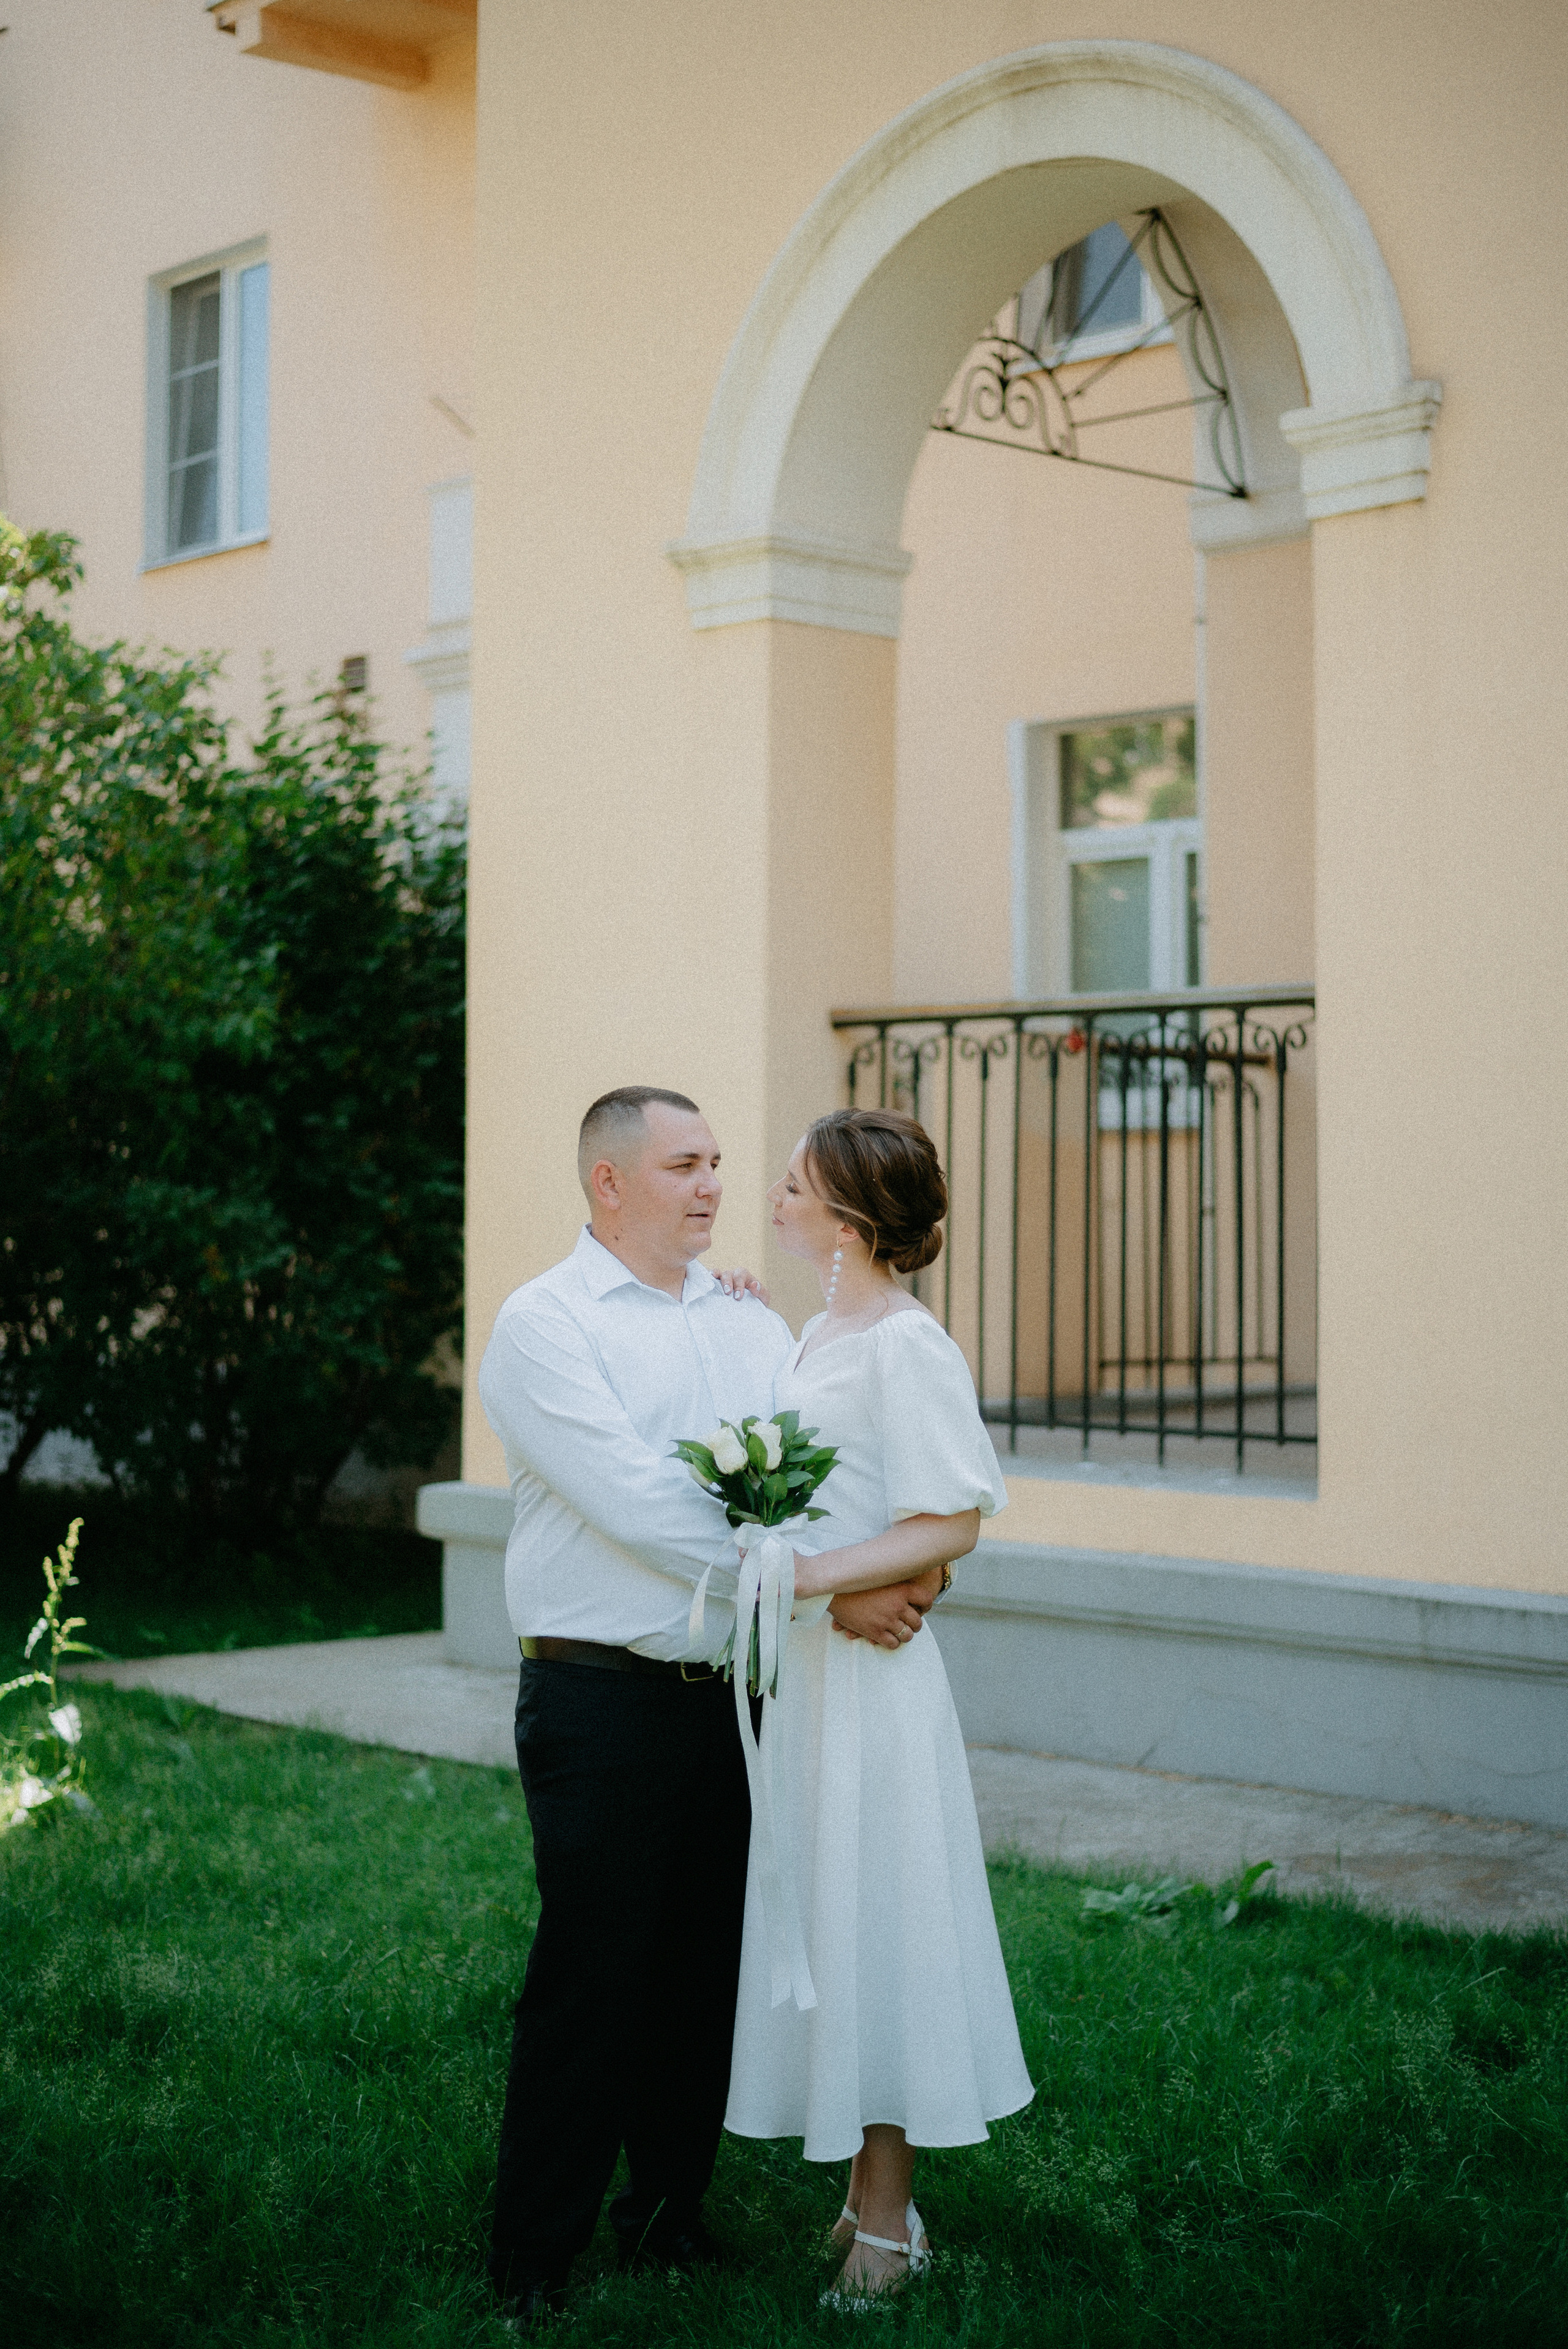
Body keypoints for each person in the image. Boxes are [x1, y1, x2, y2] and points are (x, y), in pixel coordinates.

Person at [475, 1086, 943, 2330]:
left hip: (737, 1692)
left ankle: (668, 2218)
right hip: (596, 1694)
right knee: (591, 1975)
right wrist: (822, 1593)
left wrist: (902, 1562)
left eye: (719, 1165)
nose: (712, 1186)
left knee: (700, 1973)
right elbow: (642, 1505)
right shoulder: (544, 1325)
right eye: (683, 1165)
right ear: (608, 1182)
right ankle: (533, 2262)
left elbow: (816, 1480)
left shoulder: (747, 1324)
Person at [723, 1106, 1036, 2302]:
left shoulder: (905, 1345)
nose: (774, 1194)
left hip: (877, 1697)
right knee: (831, 1920)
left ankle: (893, 2219)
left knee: (882, 1928)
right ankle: (856, 2187)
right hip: (813, 1678)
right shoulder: (811, 1336)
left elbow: (949, 1516)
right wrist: (821, 1596)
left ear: (849, 1218)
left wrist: (809, 1581)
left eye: (794, 1183)